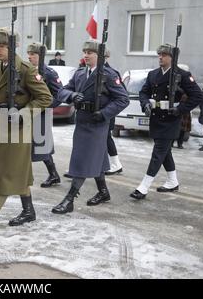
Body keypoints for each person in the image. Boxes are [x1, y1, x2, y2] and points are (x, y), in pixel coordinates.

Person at [0, 27, 52, 243]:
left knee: (6, 174)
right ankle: (29, 211)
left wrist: (24, 113)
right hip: (1, 126)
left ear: (12, 47)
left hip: (19, 130)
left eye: (3, 46)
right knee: (14, 171)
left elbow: (45, 97)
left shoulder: (25, 69)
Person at [52, 41, 129, 213]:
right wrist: (72, 95)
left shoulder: (108, 74)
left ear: (99, 55)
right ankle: (103, 192)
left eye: (90, 52)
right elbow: (62, 91)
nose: (86, 55)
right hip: (82, 121)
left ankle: (69, 199)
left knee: (83, 159)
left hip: (98, 123)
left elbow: (123, 99)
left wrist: (104, 113)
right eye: (85, 51)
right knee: (97, 157)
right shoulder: (80, 73)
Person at [130, 43, 203, 200]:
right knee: (164, 151)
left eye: (163, 55)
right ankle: (172, 181)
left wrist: (180, 109)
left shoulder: (182, 75)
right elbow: (143, 92)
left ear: (172, 57)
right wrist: (145, 104)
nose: (160, 57)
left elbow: (197, 95)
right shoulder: (153, 74)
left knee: (158, 152)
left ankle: (143, 187)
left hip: (171, 119)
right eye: (159, 55)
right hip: (156, 117)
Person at [27, 42, 62, 187]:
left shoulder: (49, 73)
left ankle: (53, 175)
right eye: (28, 54)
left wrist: (45, 107)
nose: (29, 57)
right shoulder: (27, 70)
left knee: (42, 145)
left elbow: (59, 95)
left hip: (41, 114)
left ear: (40, 56)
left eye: (33, 54)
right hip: (28, 111)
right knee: (26, 144)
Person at [104, 49, 124, 175]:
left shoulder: (112, 73)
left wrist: (109, 110)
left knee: (106, 137)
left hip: (107, 111)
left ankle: (116, 163)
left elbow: (122, 95)